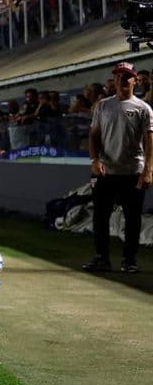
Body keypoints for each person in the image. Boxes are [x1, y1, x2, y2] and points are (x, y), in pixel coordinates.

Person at [82, 61, 153, 274]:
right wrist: (95, 160)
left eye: (126, 76)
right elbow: (93, 137)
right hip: (106, 171)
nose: (121, 80)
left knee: (132, 218)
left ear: (135, 80)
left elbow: (150, 142)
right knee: (100, 217)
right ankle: (101, 258)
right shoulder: (102, 106)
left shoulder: (143, 109)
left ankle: (129, 261)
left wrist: (149, 170)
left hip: (132, 172)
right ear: (113, 79)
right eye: (118, 76)